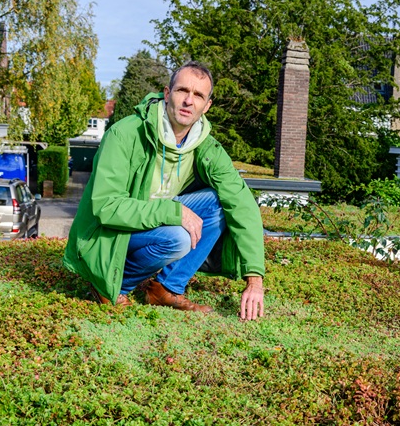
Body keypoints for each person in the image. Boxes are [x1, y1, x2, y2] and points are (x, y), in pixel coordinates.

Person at [63, 61, 265, 320]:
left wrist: (254, 281)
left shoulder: (206, 147)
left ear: (207, 106)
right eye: (183, 91)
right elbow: (107, 207)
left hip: (152, 224)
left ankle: (165, 289)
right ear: (167, 93)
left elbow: (242, 204)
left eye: (199, 95)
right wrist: (173, 211)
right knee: (177, 238)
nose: (188, 101)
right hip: (108, 233)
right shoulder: (124, 134)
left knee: (218, 202)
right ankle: (112, 284)